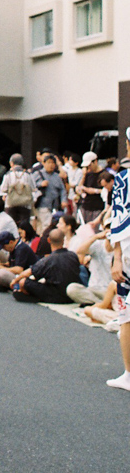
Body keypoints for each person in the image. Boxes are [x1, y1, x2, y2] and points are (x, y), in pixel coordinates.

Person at [107, 130, 130, 391]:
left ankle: (129, 374)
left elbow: (119, 219)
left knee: (127, 317)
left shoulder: (124, 179)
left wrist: (117, 257)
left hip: (128, 252)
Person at [11, 228, 80, 303]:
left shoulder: (48, 260)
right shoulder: (73, 255)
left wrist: (15, 280)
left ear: (48, 240)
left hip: (55, 295)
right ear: (63, 241)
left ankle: (32, 297)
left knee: (23, 282)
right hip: (71, 294)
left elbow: (28, 272)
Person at [66, 217, 113, 305]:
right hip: (94, 289)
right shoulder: (98, 244)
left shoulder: (121, 247)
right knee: (72, 288)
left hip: (111, 291)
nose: (110, 231)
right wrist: (95, 237)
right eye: (108, 228)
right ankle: (101, 304)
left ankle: (100, 304)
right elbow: (79, 251)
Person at [33, 154, 67, 234]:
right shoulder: (37, 174)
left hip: (54, 205)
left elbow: (62, 189)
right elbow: (31, 185)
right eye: (49, 162)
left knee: (49, 225)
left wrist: (63, 200)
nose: (51, 165)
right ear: (44, 163)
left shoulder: (57, 176)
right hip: (42, 204)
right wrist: (40, 184)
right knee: (43, 226)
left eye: (53, 163)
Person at [0, 154, 35, 226]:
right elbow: (33, 187)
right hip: (25, 204)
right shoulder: (28, 174)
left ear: (12, 163)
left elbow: (3, 189)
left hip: (11, 204)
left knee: (11, 224)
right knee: (24, 224)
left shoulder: (8, 174)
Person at [78, 152, 105, 224]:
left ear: (95, 161)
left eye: (90, 165)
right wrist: (84, 175)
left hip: (98, 207)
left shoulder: (104, 174)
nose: (89, 168)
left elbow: (107, 190)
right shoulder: (88, 174)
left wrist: (95, 191)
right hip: (86, 206)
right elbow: (79, 189)